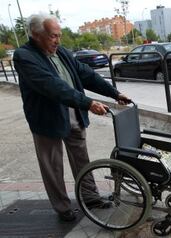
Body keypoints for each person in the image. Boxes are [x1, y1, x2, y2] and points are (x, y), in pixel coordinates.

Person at [13, 13, 130, 222]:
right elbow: (52, 86)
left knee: (81, 159)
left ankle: (90, 198)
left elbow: (86, 74)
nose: (58, 40)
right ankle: (62, 207)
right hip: (47, 119)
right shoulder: (24, 56)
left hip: (73, 113)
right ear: (36, 35)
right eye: (53, 36)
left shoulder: (62, 52)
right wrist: (88, 103)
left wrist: (114, 93)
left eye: (59, 35)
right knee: (52, 164)